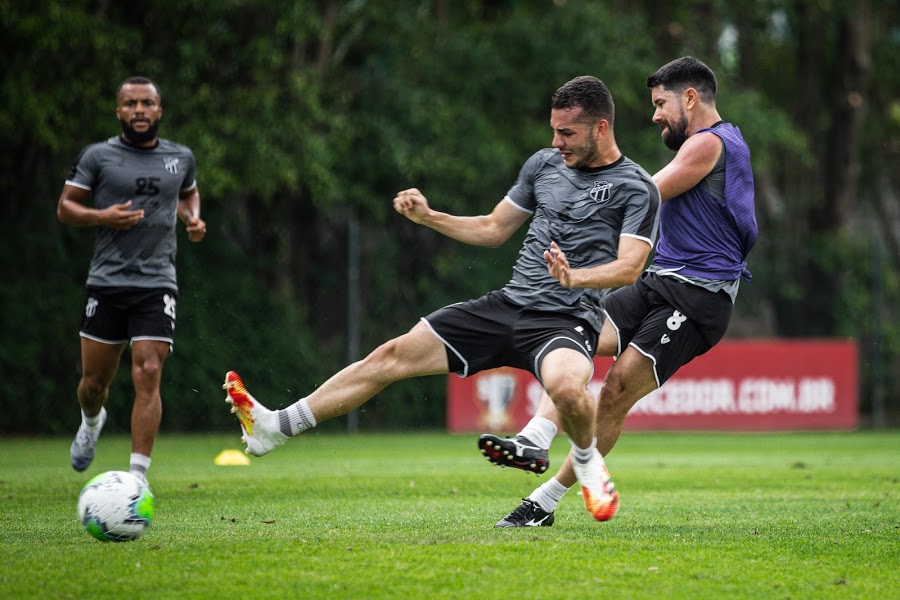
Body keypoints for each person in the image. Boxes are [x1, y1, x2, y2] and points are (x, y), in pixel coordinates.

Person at [224, 75, 660, 522]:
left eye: (566, 133)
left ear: (601, 128)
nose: (556, 141)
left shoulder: (637, 187)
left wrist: (574, 279)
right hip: (508, 305)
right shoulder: (543, 165)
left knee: (569, 389)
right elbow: (493, 229)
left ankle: (588, 465)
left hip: (569, 318)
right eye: (553, 130)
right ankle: (274, 428)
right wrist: (429, 217)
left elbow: (630, 267)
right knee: (392, 354)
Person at [480, 56, 757, 527]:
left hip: (698, 297)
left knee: (613, 393)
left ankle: (541, 503)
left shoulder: (711, 143)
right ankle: (534, 436)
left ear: (690, 97)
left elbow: (643, 194)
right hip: (660, 281)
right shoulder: (701, 144)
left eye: (660, 103)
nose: (655, 115)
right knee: (574, 335)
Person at [58, 76, 206, 485]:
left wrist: (192, 218)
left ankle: (137, 478)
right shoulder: (99, 157)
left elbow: (187, 194)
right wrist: (102, 217)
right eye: (130, 104)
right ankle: (92, 421)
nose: (139, 110)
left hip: (157, 281)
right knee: (93, 383)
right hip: (107, 281)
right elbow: (66, 208)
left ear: (159, 111)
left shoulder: (180, 157)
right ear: (118, 111)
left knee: (149, 370)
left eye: (147, 103)